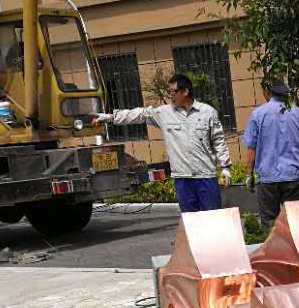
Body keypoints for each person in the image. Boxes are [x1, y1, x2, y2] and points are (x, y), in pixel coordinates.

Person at [93, 74, 230, 213]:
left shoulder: (207, 112)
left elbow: (218, 140)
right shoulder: (164, 113)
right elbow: (139, 114)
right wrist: (109, 117)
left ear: (185, 91)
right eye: (169, 92)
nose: (170, 96)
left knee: (213, 218)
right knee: (190, 220)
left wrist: (225, 168)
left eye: (173, 92)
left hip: (206, 177)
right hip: (182, 179)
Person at [242, 79, 299, 228]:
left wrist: (249, 175)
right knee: (294, 224)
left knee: (270, 224)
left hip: (267, 179)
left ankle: (272, 243)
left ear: (268, 92)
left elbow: (252, 148)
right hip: (293, 178)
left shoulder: (258, 115)